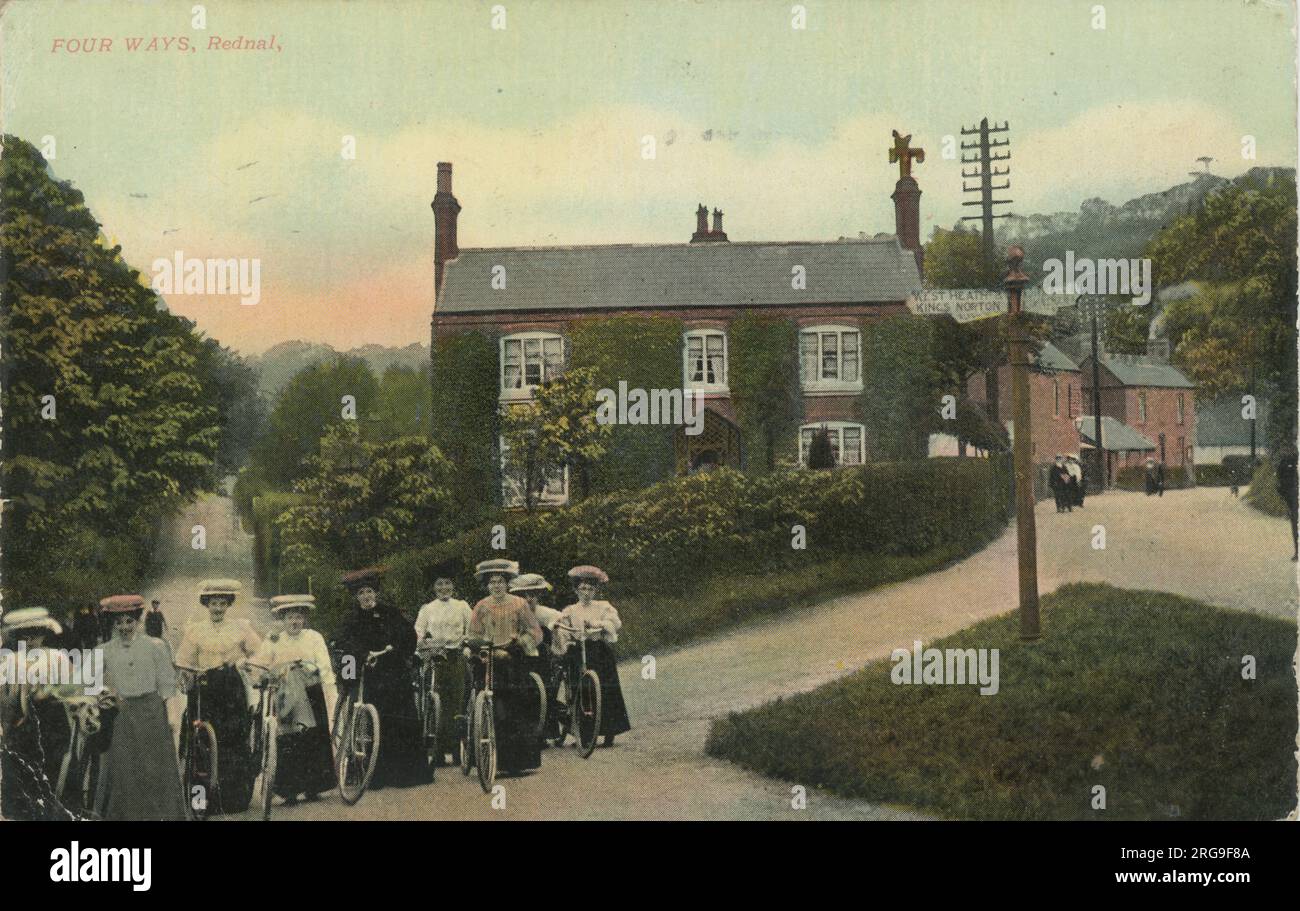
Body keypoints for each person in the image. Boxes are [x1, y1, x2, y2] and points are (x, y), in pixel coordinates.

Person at [332, 567, 428, 788]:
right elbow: (343, 641)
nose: (366, 597)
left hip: (392, 671)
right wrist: (363, 655)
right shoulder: (351, 618)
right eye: (361, 594)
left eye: (369, 592)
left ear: (375, 593)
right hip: (367, 673)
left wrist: (393, 649)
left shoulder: (391, 612)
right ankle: (371, 773)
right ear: (357, 597)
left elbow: (408, 636)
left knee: (400, 716)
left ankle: (405, 774)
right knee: (367, 716)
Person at [95, 595, 188, 821]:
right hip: (122, 713)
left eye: (129, 621)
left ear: (138, 621)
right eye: (119, 622)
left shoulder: (155, 646)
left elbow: (167, 684)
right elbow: (90, 683)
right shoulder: (103, 650)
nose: (124, 627)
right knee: (125, 767)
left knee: (155, 767)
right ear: (113, 624)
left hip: (151, 712)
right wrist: (102, 694)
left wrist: (172, 715)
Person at [174, 578, 261, 814]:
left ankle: (233, 798)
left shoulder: (241, 627)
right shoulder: (195, 631)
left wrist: (244, 662)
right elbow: (184, 660)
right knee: (201, 740)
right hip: (204, 688)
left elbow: (258, 652)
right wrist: (185, 675)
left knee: (232, 737)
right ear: (207, 604)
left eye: (223, 603)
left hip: (231, 687)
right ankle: (203, 798)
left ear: (228, 605)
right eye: (214, 603)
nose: (218, 608)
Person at [250, 595, 336, 804]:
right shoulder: (274, 639)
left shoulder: (314, 637)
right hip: (285, 695)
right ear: (283, 619)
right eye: (290, 617)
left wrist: (327, 686)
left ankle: (313, 787)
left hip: (311, 692)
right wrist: (258, 672)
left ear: (304, 619)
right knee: (289, 739)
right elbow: (260, 663)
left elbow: (324, 664)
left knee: (312, 737)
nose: (294, 622)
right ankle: (289, 790)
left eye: (298, 617)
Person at [0, 607, 78, 820]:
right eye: (24, 636)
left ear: (45, 634)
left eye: (36, 635)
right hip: (21, 722)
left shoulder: (57, 657)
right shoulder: (9, 661)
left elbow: (74, 690)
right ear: (16, 638)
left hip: (53, 721)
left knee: (54, 768)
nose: (31, 641)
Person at [467, 559, 544, 773]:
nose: (496, 586)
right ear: (487, 585)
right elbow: (473, 634)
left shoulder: (520, 604)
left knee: (516, 706)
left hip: (512, 658)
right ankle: (487, 757)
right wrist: (479, 647)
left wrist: (518, 644)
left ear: (507, 583)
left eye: (500, 581)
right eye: (492, 582)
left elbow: (535, 632)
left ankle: (517, 762)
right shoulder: (481, 606)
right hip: (488, 658)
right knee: (489, 704)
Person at [554, 565, 632, 747]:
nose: (586, 593)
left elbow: (615, 623)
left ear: (596, 590)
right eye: (582, 588)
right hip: (577, 650)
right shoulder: (570, 610)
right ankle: (583, 732)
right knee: (578, 689)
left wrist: (598, 623)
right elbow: (562, 627)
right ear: (576, 590)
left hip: (597, 650)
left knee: (606, 687)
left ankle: (610, 730)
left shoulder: (603, 607)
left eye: (590, 589)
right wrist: (561, 630)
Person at [413, 576, 472, 765]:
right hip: (436, 657)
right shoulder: (427, 609)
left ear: (453, 586)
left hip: (456, 656)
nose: (444, 588)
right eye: (439, 584)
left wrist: (467, 645)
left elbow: (471, 630)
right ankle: (436, 751)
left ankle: (456, 750)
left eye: (447, 583)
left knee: (456, 702)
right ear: (434, 587)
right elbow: (418, 631)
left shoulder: (462, 606)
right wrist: (420, 644)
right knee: (435, 701)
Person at [509, 572, 562, 745]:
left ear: (538, 596)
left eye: (532, 595)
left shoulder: (543, 612)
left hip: (541, 659)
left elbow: (557, 619)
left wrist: (554, 627)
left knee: (545, 690)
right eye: (524, 596)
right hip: (522, 657)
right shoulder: (514, 613)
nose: (529, 599)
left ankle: (545, 731)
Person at [1276, 445, 1298, 561]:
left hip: (1292, 499)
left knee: (1295, 527)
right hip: (1293, 498)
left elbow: (1279, 485)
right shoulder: (1285, 463)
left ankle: (1297, 552)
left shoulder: (1283, 463)